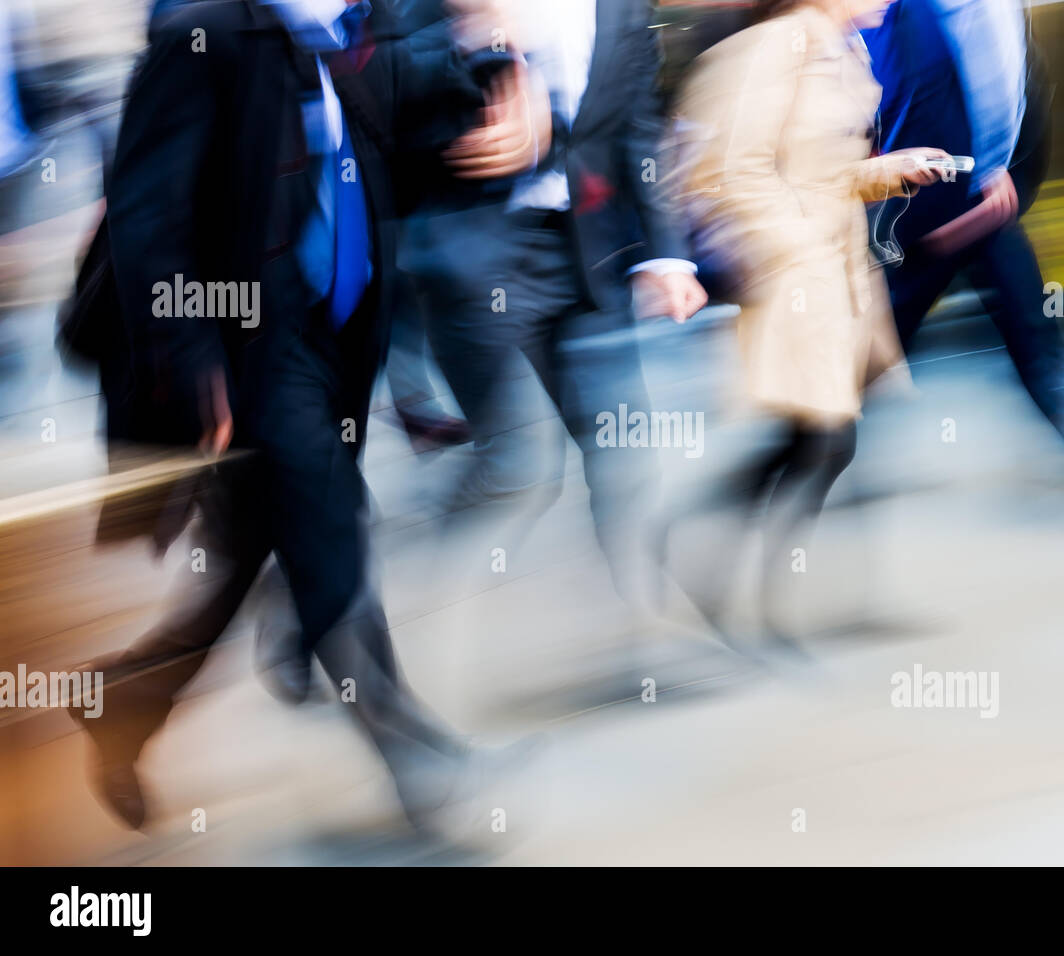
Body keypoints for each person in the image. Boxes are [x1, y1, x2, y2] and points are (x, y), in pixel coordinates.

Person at [66, 0, 544, 832]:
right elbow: (148, 214)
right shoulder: (206, 36)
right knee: (331, 534)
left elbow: (419, 156)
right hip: (251, 347)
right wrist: (190, 363)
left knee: (252, 549)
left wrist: (505, 77)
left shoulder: (348, 38)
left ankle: (125, 698)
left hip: (332, 344)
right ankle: (420, 765)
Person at [397, 0, 708, 609]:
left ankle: (646, 616)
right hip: (476, 254)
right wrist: (467, 38)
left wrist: (666, 255)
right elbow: (376, 70)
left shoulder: (621, 11)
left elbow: (637, 129)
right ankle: (364, 590)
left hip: (583, 257)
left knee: (623, 449)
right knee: (516, 465)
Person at [657, 0, 947, 651]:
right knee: (823, 439)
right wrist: (796, 248)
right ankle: (744, 598)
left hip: (840, 276)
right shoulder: (772, 48)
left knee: (817, 440)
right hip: (798, 280)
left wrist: (889, 172)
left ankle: (706, 565)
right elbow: (730, 169)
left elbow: (820, 172)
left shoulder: (841, 49)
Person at [862, 0, 1064, 478]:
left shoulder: (982, 11)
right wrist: (939, 205)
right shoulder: (906, 14)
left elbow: (1016, 88)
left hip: (982, 200)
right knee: (889, 336)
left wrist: (1006, 176)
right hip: (931, 209)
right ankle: (807, 443)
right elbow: (906, 101)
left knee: (1028, 322)